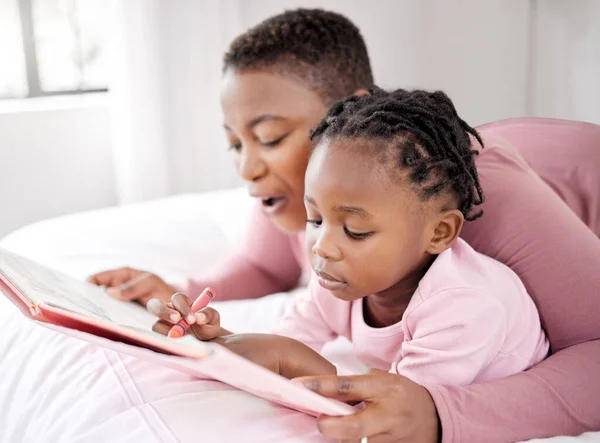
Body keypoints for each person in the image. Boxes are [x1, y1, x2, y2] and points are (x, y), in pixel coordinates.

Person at [89, 8, 600, 443]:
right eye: (235, 143)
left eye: (269, 138)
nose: (245, 168)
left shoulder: (474, 203)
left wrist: (444, 414)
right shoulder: (322, 193)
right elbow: (261, 266)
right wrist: (183, 297)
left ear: (346, 109)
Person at [149, 87, 550, 391]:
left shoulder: (466, 308)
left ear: (440, 232)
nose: (322, 246)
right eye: (315, 219)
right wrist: (224, 341)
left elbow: (401, 409)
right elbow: (283, 342)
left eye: (355, 230)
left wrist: (300, 364)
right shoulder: (338, 282)